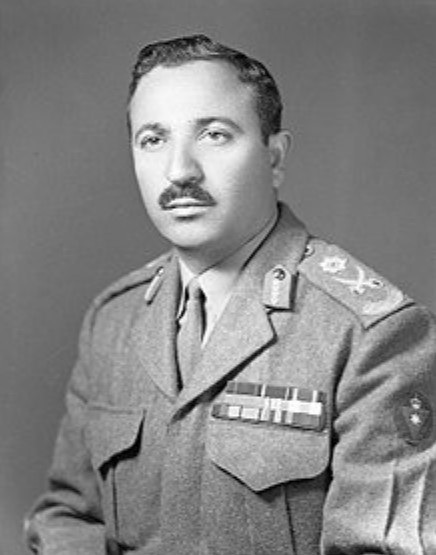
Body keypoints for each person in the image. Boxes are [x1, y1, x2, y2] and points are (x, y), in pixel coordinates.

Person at [25, 34, 436, 555]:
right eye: (153, 139)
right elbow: (69, 514)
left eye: (214, 135)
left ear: (274, 157)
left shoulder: (372, 334)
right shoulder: (113, 319)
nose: (179, 170)